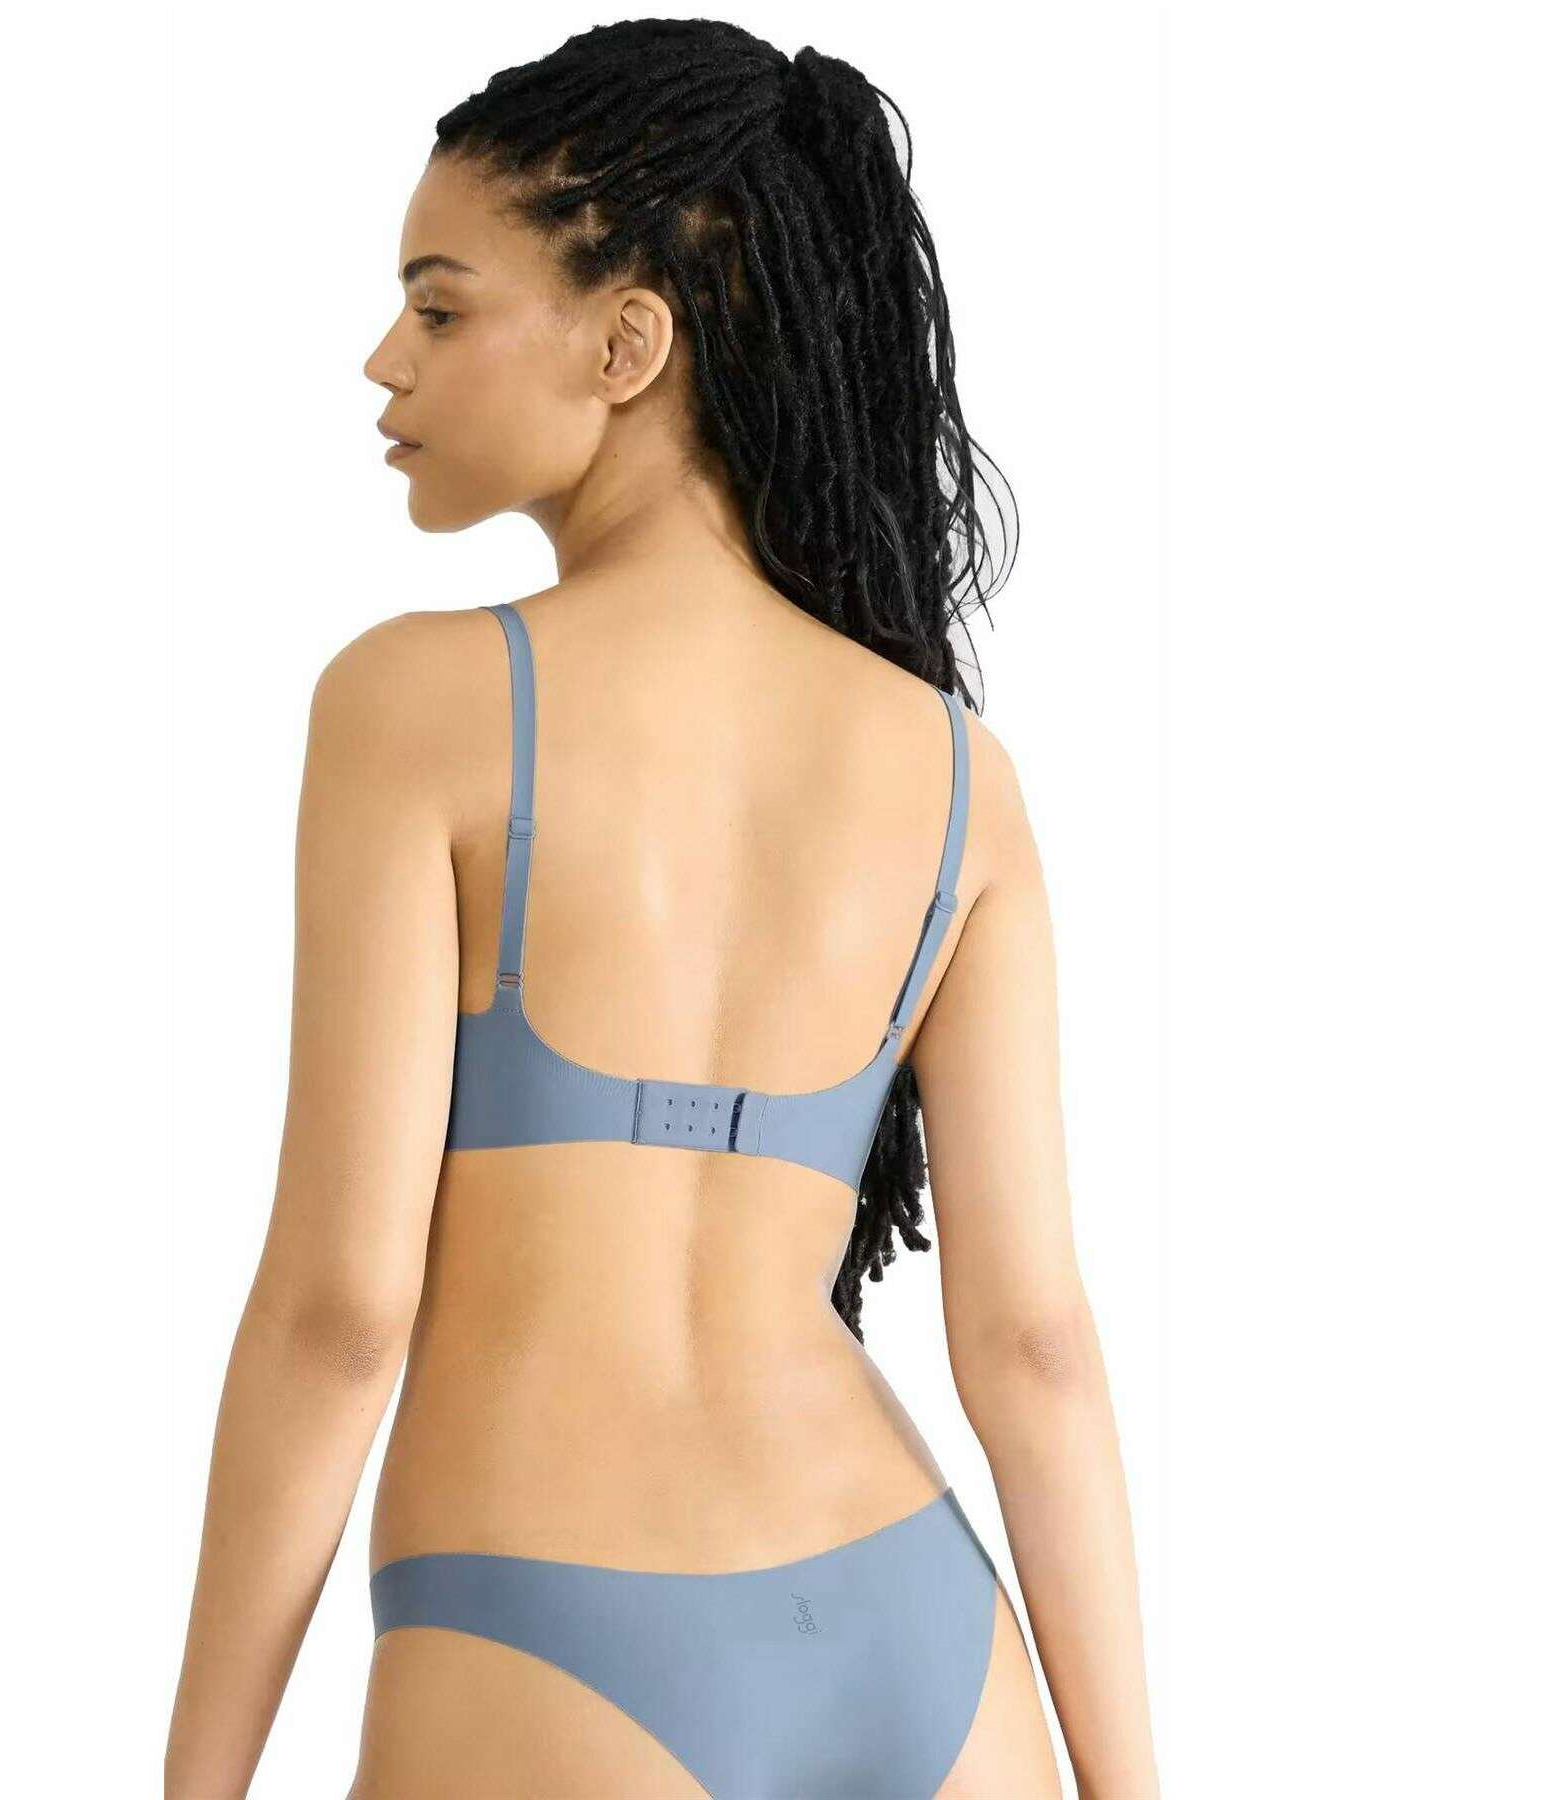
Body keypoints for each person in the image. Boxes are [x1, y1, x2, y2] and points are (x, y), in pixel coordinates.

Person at [167, 21, 1158, 1798]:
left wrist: (196, 1781)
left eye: (441, 308)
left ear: (629, 345)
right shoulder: (956, 774)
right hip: (925, 1647)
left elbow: (340, 1311)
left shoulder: (415, 706)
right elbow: (1034, 1347)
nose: (387, 360)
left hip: (548, 1636)